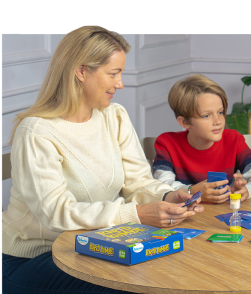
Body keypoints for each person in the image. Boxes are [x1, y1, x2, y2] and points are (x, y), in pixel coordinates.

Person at [1, 26, 204, 294]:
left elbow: (138, 182)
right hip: (32, 259)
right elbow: (56, 213)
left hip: (94, 243)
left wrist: (169, 196)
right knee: (135, 285)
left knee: (178, 267)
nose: (120, 84)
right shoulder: (36, 131)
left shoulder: (114, 116)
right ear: (81, 71)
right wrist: (137, 214)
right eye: (113, 73)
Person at [152, 74, 251, 203]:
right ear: (184, 122)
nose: (218, 121)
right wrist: (193, 191)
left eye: (220, 112)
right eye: (206, 115)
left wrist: (246, 191)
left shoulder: (233, 140)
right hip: (184, 218)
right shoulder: (167, 143)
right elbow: (162, 188)